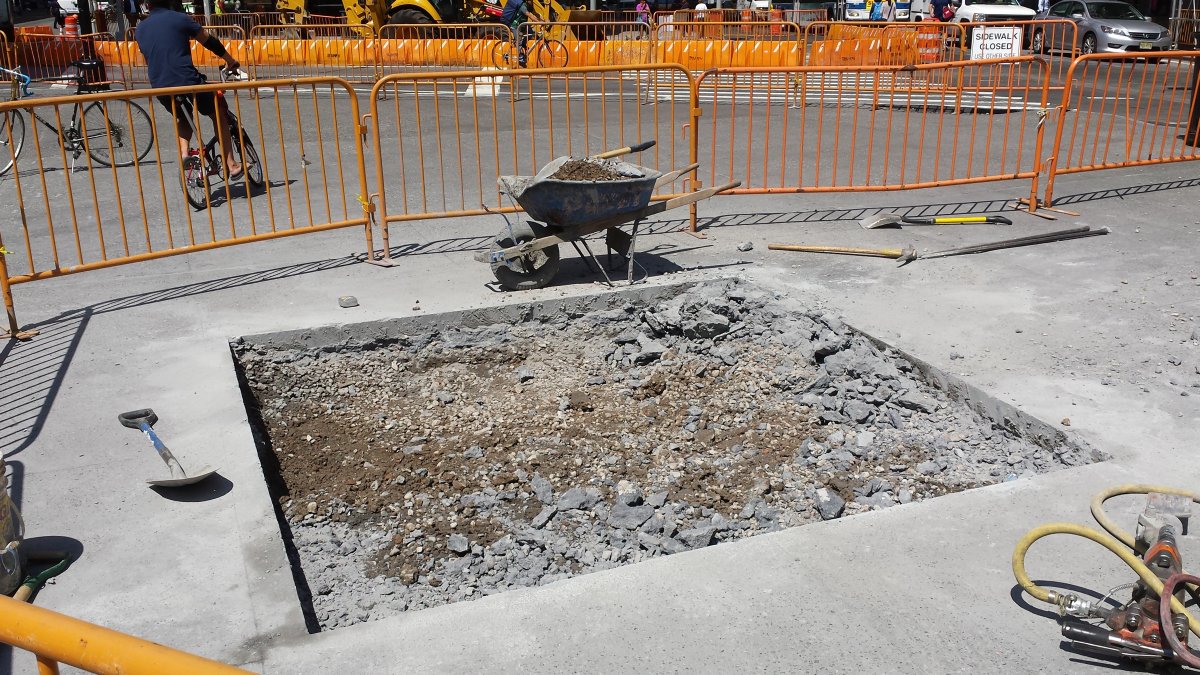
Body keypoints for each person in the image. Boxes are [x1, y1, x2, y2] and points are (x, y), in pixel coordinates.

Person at [135, 0, 242, 178]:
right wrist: (230, 61)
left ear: (148, 5)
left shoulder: (140, 29)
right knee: (218, 112)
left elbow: (149, 58)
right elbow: (209, 42)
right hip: (188, 81)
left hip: (160, 86)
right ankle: (232, 164)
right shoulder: (180, 19)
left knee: (183, 118)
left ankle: (185, 155)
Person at [500, 0, 531, 66]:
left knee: (530, 34)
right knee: (518, 42)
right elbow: (530, 15)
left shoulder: (527, 6)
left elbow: (534, 14)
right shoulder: (523, 6)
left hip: (520, 26)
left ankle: (522, 48)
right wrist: (541, 22)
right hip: (515, 26)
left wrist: (542, 21)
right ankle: (519, 56)